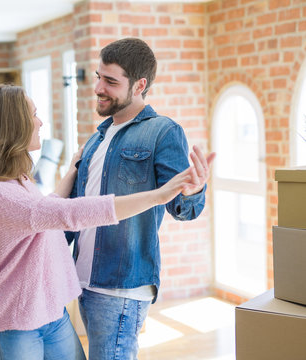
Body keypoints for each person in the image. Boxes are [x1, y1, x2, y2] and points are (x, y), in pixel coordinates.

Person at [0, 84, 210, 360]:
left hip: (48, 311)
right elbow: (64, 214)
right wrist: (157, 196)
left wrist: (73, 169)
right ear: (11, 126)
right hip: (12, 320)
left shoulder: (17, 181)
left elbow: (43, 211)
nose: (40, 122)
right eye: (34, 115)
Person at [67, 37, 216, 359]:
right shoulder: (97, 139)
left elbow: (183, 208)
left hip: (121, 285)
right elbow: (75, 212)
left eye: (110, 81)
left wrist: (193, 191)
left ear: (140, 85)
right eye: (98, 77)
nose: (98, 88)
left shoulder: (162, 131)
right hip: (82, 279)